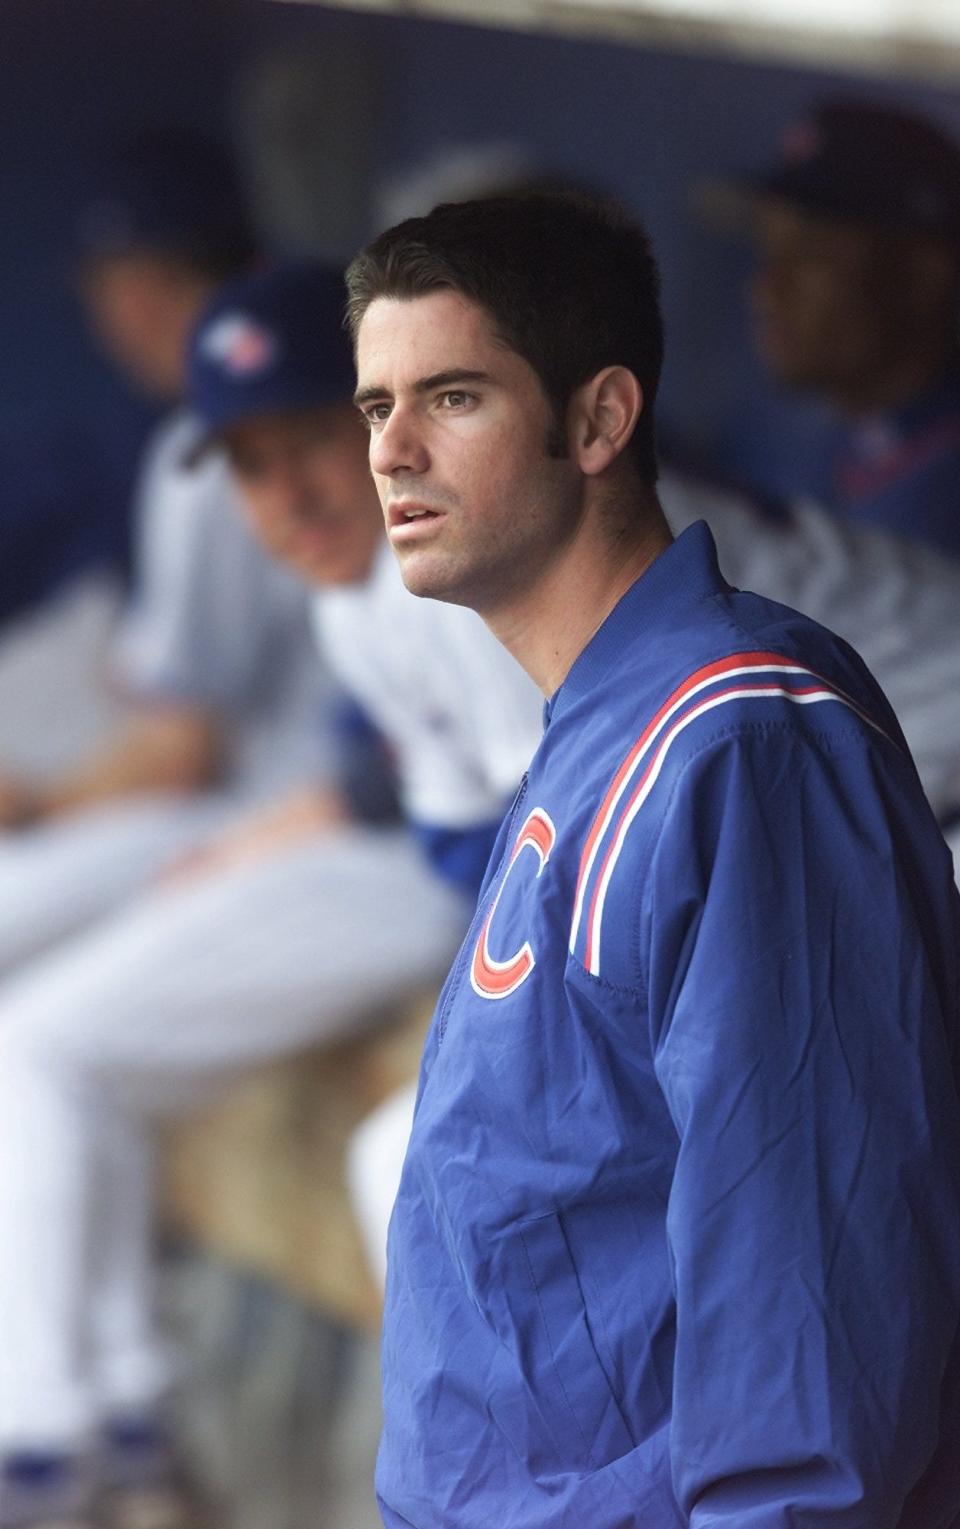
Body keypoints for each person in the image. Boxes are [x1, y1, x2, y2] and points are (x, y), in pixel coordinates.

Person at [346, 190, 960, 1526]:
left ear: (599, 420)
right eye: (373, 407)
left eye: (450, 397)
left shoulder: (739, 739)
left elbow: (811, 1286)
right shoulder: (609, 722)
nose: (392, 451)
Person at [0, 262, 544, 1529]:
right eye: (247, 464)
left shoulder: (461, 577)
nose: (286, 493)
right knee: (47, 1049)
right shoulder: (361, 596)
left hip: (414, 881)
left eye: (308, 444)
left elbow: (537, 838)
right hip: (390, 853)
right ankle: (104, 1430)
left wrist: (278, 831)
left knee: (43, 1050)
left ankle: (65, 1442)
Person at [715, 98, 960, 559]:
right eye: (768, 247)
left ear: (923, 276)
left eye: (808, 254)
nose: (766, 291)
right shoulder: (841, 438)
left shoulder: (943, 492)